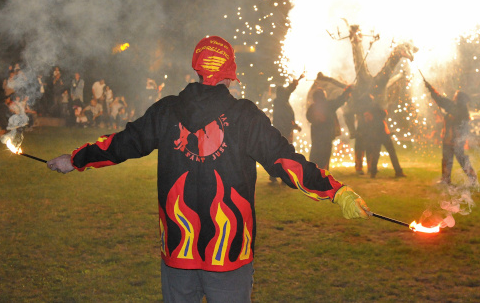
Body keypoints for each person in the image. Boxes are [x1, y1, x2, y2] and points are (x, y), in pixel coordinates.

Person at [47, 36, 370, 303]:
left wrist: (75, 159)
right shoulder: (244, 116)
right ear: (229, 73)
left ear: (197, 69)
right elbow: (287, 162)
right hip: (228, 254)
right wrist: (335, 191)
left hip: (179, 250)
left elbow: (119, 144)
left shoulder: (167, 110)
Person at [423, 79, 478, 187]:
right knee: (447, 159)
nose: (454, 97)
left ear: (459, 99)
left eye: (455, 96)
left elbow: (440, 100)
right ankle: (446, 179)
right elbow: (441, 100)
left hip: (456, 140)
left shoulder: (459, 109)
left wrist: (430, 88)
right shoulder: (456, 107)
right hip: (449, 139)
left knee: (461, 160)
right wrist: (430, 87)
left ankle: (472, 178)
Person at [306, 85, 352, 170]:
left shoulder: (312, 107)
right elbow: (340, 100)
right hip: (326, 136)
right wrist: (347, 91)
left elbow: (308, 117)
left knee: (315, 155)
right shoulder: (328, 105)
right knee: (324, 156)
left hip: (316, 136)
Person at [270, 75, 303, 183]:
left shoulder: (280, 101)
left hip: (281, 131)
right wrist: (294, 127)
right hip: (283, 132)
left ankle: (275, 176)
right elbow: (287, 119)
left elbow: (289, 90)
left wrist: (298, 79)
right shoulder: (282, 104)